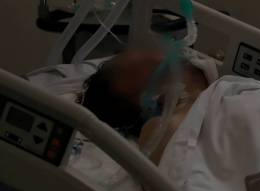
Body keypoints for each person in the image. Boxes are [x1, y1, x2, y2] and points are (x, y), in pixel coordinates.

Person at [80, 48, 211, 162]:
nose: (154, 57)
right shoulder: (158, 131)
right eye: (132, 72)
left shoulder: (206, 71)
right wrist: (192, 92)